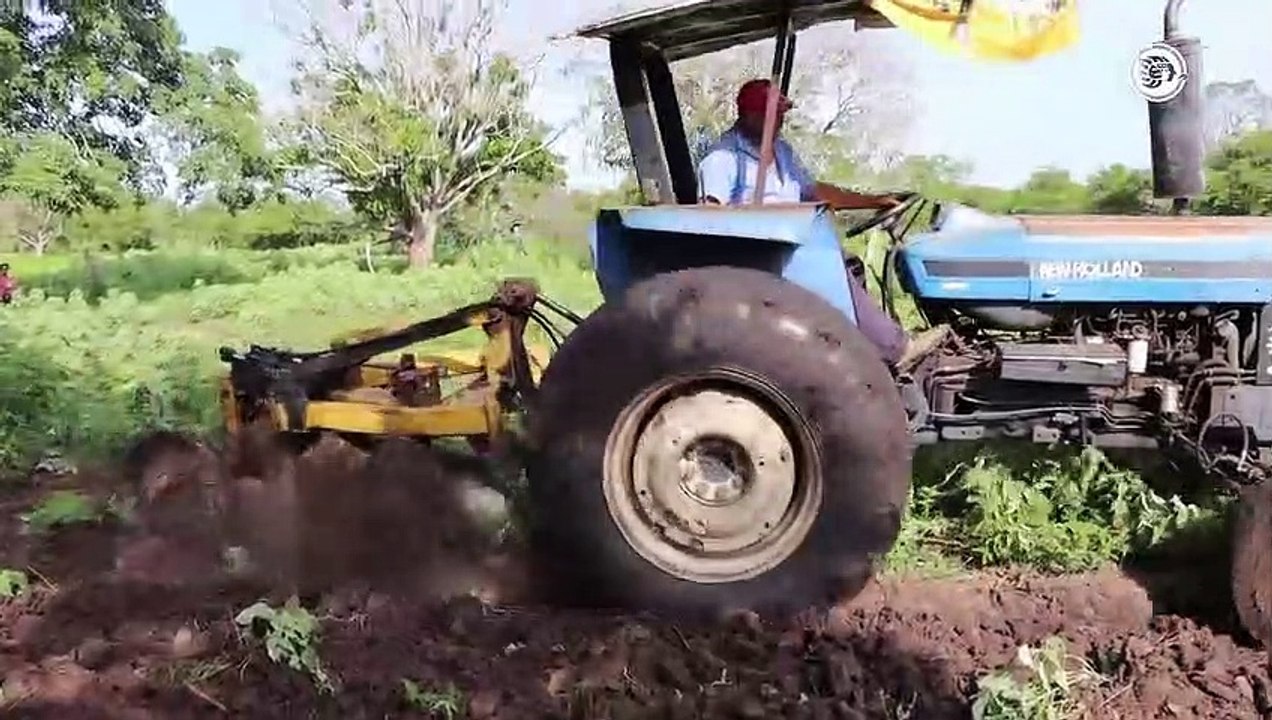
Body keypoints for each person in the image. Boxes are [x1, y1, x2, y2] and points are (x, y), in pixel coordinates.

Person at [695, 79, 919, 367]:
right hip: (765, 256)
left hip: (797, 244)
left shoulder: (782, 151)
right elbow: (709, 218)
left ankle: (866, 352)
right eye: (774, 115)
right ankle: (893, 348)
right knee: (832, 263)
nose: (780, 121)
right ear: (750, 115)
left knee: (851, 264)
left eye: (781, 115)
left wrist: (876, 201)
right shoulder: (723, 158)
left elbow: (814, 192)